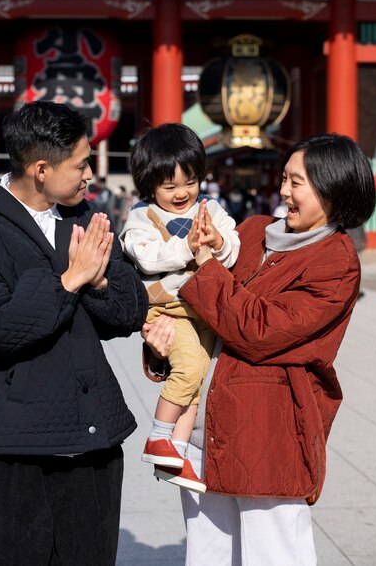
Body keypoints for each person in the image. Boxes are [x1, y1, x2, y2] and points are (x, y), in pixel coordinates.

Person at [142, 132, 376, 566]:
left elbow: (259, 331)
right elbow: (199, 322)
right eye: (284, 179)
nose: (283, 191)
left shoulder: (335, 263)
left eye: (296, 182)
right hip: (199, 434)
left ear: (332, 188)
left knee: (274, 554)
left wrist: (206, 267)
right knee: (207, 554)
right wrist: (163, 350)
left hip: (267, 433)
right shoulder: (250, 232)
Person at [0, 100, 148, 566]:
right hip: (12, 448)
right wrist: (69, 280)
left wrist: (101, 279)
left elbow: (131, 309)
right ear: (42, 169)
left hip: (92, 437)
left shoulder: (85, 217)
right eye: (82, 163)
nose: (91, 174)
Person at [120, 122, 240, 493]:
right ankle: (159, 435)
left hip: (202, 309)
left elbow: (232, 248)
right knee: (188, 369)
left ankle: (177, 452)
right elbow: (145, 256)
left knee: (197, 381)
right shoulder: (143, 216)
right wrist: (187, 247)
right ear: (149, 185)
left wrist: (219, 241)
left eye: (189, 182)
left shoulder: (212, 209)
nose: (181, 193)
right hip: (169, 311)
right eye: (169, 187)